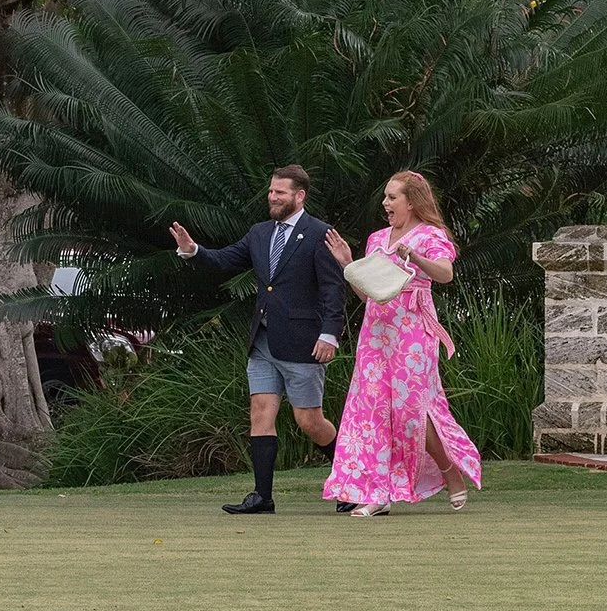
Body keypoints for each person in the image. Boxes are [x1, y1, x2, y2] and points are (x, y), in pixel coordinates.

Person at [169, 165, 344, 515]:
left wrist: (330, 334)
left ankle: (352, 482)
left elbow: (332, 288)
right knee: (260, 413)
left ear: (300, 196)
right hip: (262, 341)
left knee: (308, 421)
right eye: (270, 191)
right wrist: (193, 251)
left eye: (280, 192)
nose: (273, 197)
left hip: (303, 342)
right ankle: (262, 497)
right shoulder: (260, 233)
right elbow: (224, 260)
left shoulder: (319, 233)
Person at [320, 170, 484, 517]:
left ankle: (449, 470)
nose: (386, 203)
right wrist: (348, 265)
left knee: (411, 412)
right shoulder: (377, 239)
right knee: (372, 412)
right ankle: (377, 494)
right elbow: (367, 295)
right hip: (376, 332)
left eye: (392, 197)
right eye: (386, 197)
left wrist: (416, 258)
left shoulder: (430, 235)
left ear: (411, 202)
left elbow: (445, 273)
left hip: (412, 332)